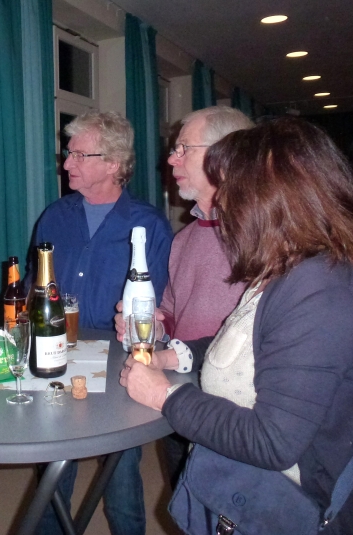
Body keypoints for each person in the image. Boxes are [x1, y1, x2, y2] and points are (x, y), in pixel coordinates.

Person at [120, 117, 353, 534]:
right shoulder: (285, 269)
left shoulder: (321, 292)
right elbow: (245, 345)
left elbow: (272, 441)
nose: (223, 205)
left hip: (297, 509)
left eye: (231, 191)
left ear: (268, 200)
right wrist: (175, 356)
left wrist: (165, 395)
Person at [33, 111, 173, 535]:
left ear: (113, 163)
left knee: (122, 473)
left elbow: (159, 307)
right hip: (59, 353)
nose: (66, 163)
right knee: (53, 467)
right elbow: (38, 289)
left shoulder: (148, 224)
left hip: (120, 362)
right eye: (68, 153)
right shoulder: (54, 216)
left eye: (79, 155)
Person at [115, 106, 254, 486]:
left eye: (183, 149)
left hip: (235, 409)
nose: (171, 159)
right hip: (178, 390)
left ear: (226, 155)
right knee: (185, 499)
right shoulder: (186, 237)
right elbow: (173, 312)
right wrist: (151, 324)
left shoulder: (263, 240)